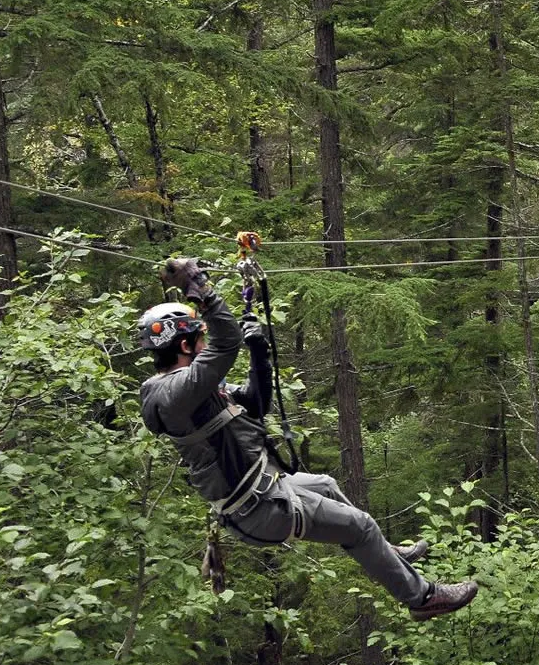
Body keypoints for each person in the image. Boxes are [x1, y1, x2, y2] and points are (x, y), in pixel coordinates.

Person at [138, 258, 477, 620]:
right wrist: (201, 287)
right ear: (187, 345)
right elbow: (226, 341)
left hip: (265, 491)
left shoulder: (190, 391)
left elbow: (255, 403)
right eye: (200, 339)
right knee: (360, 527)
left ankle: (386, 553)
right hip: (261, 509)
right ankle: (422, 599)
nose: (206, 344)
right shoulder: (173, 394)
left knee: (327, 484)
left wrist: (258, 355)